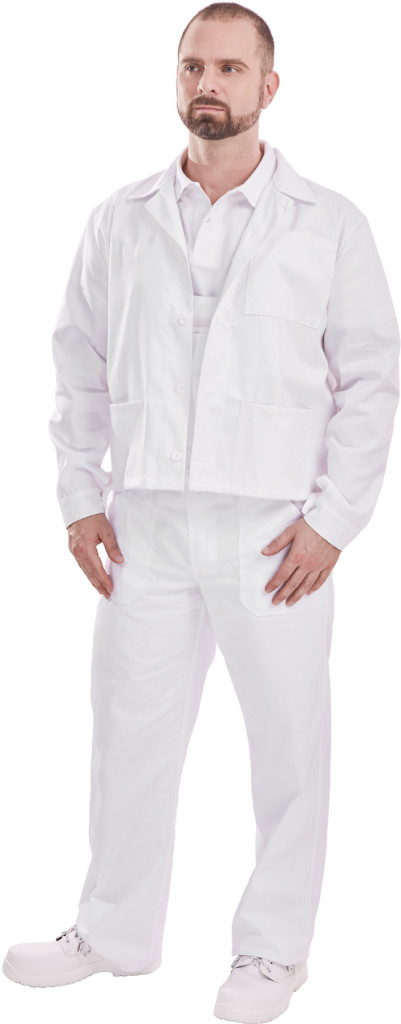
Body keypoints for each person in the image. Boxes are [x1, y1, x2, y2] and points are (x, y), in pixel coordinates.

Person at [3, 4, 400, 1022]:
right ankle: (113, 931)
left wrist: (333, 520)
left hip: (272, 532)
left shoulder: (329, 223)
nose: (206, 83)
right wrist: (79, 496)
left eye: (228, 66)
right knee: (126, 736)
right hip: (144, 526)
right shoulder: (119, 218)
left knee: (286, 749)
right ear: (175, 79)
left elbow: (370, 378)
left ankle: (271, 951)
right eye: (191, 65)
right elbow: (77, 363)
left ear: (269, 85)